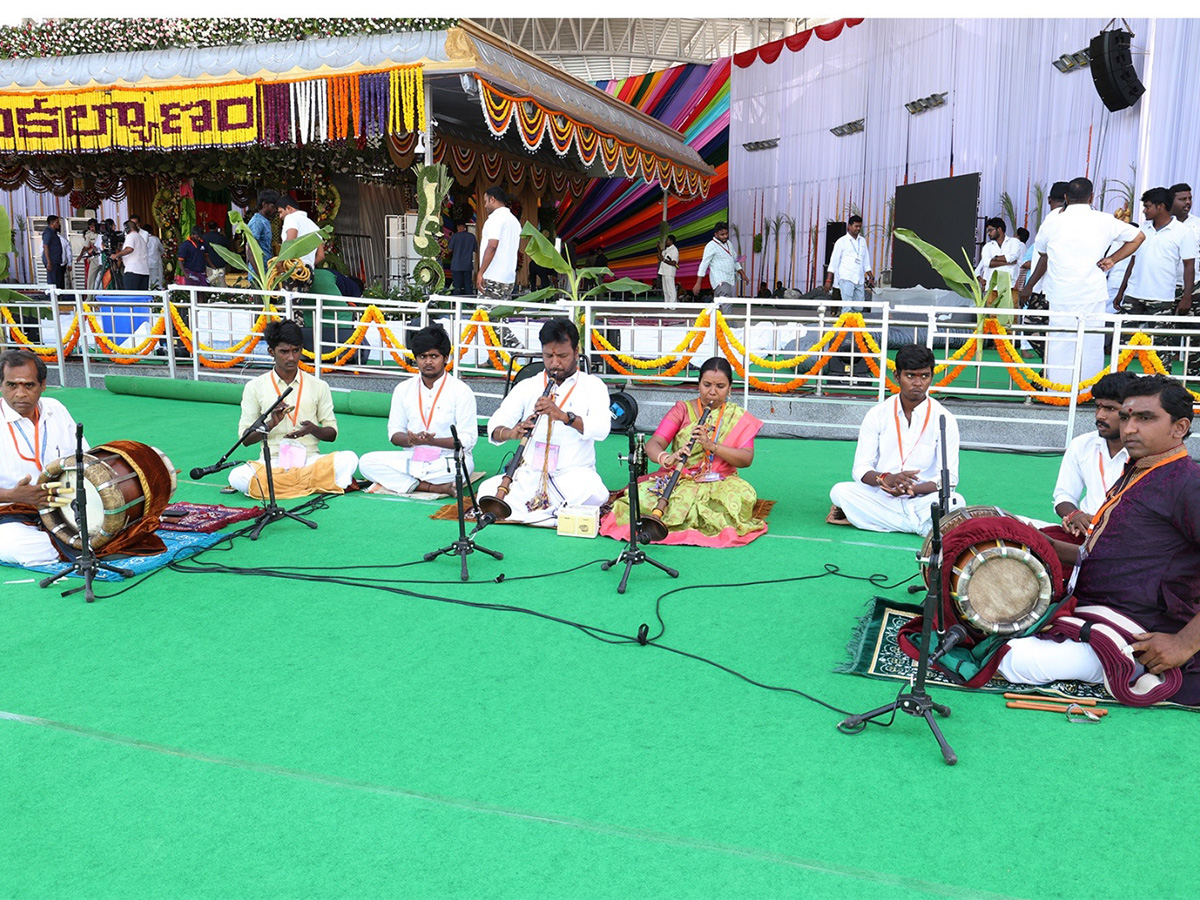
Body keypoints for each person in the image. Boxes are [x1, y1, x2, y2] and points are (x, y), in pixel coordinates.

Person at [998, 375, 1200, 707]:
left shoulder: (1187, 484)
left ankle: (1128, 667)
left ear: (1179, 428)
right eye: (1127, 417)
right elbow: (1099, 554)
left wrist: (1183, 644)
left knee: (1015, 658)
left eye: (1145, 418)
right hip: (1095, 605)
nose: (1130, 428)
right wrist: (1024, 536)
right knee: (999, 621)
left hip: (1137, 630)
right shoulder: (1140, 471)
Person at [602, 357, 767, 547]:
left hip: (721, 481)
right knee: (638, 500)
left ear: (730, 388)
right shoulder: (683, 410)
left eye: (720, 386)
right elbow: (653, 444)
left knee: (738, 499)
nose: (712, 392)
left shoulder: (738, 417)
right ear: (698, 385)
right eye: (707, 385)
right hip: (680, 478)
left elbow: (746, 458)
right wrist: (667, 458)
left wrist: (712, 446)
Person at [478, 318, 610, 524]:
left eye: (562, 356)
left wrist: (565, 417)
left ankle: (528, 515)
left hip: (572, 475)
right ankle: (553, 516)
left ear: (576, 352)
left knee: (594, 491)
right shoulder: (527, 386)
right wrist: (511, 432)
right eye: (549, 356)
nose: (555, 363)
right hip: (530, 475)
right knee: (486, 490)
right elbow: (495, 426)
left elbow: (602, 430)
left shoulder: (593, 386)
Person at [827, 344, 964, 535]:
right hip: (881, 494)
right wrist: (886, 478)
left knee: (955, 501)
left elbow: (949, 478)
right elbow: (860, 468)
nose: (918, 383)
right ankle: (921, 527)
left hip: (922, 497)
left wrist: (913, 489)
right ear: (896, 375)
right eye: (910, 376)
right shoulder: (877, 414)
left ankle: (879, 521)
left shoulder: (944, 419)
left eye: (924, 376)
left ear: (932, 377)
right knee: (840, 491)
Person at [1021, 177, 1143, 388]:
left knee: (1060, 343)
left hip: (1061, 294)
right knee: (1091, 344)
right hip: (1092, 293)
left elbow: (1042, 252)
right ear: (1092, 197)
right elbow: (1139, 237)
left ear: (1066, 198)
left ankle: (1058, 389)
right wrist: (1113, 259)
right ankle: (1088, 390)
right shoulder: (1105, 220)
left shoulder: (1053, 221)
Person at [227, 320, 358, 498]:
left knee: (349, 458)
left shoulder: (318, 386)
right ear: (271, 352)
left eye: (295, 351)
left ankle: (278, 488)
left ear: (301, 349)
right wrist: (270, 424)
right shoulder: (254, 387)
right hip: (272, 462)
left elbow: (332, 433)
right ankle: (313, 484)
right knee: (237, 476)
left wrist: (313, 429)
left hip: (309, 460)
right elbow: (245, 439)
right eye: (284, 352)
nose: (291, 357)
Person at [357, 325, 477, 496]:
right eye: (422, 356)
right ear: (416, 359)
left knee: (464, 467)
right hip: (413, 456)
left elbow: (467, 439)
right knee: (366, 462)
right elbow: (394, 434)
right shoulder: (403, 389)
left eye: (434, 356)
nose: (428, 362)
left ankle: (409, 482)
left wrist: (432, 441)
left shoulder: (461, 391)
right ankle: (432, 487)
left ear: (445, 358)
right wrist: (412, 440)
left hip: (446, 459)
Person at [0, 349, 82, 566]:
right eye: (11, 385)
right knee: (20, 547)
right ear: (1, 385)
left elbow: (83, 458)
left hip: (61, 505)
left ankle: (68, 540)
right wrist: (12, 494)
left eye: (28, 385)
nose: (19, 394)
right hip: (9, 512)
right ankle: (70, 543)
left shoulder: (56, 409)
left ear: (42, 385)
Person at [1115, 187, 1197, 365]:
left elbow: (1189, 266)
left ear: (1161, 206)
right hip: (1133, 295)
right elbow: (1132, 262)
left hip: (1161, 298)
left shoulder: (1183, 232)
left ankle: (1162, 388)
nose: (1144, 210)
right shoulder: (1142, 230)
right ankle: (1119, 386)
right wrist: (1121, 292)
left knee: (1160, 347)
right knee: (1123, 344)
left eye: (1147, 206)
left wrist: (1187, 297)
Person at [1051, 371, 1137, 537]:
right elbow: (1063, 495)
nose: (1100, 415)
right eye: (1098, 406)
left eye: (1110, 408)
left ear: (1131, 411)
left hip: (1126, 539)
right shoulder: (1081, 444)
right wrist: (1075, 516)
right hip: (1084, 533)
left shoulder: (1146, 453)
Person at [1171, 182, 1200, 375]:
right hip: (1165, 286)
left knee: (1194, 335)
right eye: (1182, 199)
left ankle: (1193, 378)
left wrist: (1189, 294)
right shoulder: (1160, 223)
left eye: (1189, 198)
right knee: (1164, 335)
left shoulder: (1197, 225)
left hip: (1193, 287)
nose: (1187, 202)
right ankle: (1161, 377)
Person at [476, 187, 520, 300]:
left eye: (486, 201)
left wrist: (480, 273)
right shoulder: (514, 221)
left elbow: (492, 245)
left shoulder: (495, 219)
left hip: (492, 277)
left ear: (492, 199)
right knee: (502, 316)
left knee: (484, 315)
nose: (485, 205)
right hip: (508, 279)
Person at [824, 215, 874, 312]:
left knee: (859, 307)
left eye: (860, 226)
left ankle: (853, 324)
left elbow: (866, 261)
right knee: (847, 306)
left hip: (859, 279)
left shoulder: (862, 241)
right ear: (849, 227)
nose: (858, 229)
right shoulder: (841, 242)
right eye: (856, 226)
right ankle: (845, 326)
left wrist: (870, 276)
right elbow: (833, 262)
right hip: (846, 278)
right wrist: (828, 280)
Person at [694, 222, 748, 303]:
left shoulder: (729, 243)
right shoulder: (711, 246)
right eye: (722, 234)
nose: (725, 236)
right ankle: (727, 316)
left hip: (729, 279)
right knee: (726, 302)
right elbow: (704, 264)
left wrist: (742, 273)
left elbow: (735, 259)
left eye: (726, 234)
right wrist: (698, 283)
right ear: (716, 234)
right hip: (720, 279)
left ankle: (716, 315)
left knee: (720, 305)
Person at [975, 216, 1022, 301]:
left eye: (990, 230)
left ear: (999, 229)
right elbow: (987, 263)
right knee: (992, 314)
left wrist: (995, 258)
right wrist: (1007, 262)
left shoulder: (1014, 242)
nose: (988, 233)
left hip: (1010, 285)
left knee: (1011, 313)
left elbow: (1013, 256)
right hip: (992, 287)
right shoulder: (987, 247)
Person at [279, 195, 323, 270]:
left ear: (288, 208)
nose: (280, 216)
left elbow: (290, 241)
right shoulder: (314, 226)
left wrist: (279, 262)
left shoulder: (291, 218)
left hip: (293, 270)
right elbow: (321, 256)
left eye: (281, 212)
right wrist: (307, 266)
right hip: (307, 273)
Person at [247, 190, 279, 285]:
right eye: (273, 207)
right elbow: (251, 250)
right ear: (264, 204)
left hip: (267, 272)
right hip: (258, 276)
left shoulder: (265, 221)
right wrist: (261, 275)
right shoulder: (257, 222)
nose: (275, 211)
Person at [111, 219, 150, 291]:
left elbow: (129, 249)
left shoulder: (131, 236)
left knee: (131, 296)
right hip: (144, 271)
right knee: (142, 297)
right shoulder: (140, 238)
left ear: (127, 228)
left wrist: (116, 255)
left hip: (133, 271)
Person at [448, 221, 478, 295]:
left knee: (457, 285)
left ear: (458, 228)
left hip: (456, 264)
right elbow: (476, 249)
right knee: (468, 284)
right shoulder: (471, 236)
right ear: (465, 228)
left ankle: (456, 304)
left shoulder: (455, 236)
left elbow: (449, 250)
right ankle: (469, 304)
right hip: (467, 264)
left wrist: (450, 239)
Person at [41, 215, 64, 289]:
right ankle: (52, 296)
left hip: (56, 260)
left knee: (57, 280)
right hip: (51, 260)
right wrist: (48, 261)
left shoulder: (54, 232)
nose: (58, 224)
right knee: (52, 280)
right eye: (57, 222)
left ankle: (57, 296)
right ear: (52, 223)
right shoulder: (48, 232)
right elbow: (46, 246)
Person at [658, 234, 680, 308]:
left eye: (667, 240)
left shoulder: (674, 250)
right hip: (664, 271)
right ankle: (667, 304)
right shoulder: (667, 249)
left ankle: (673, 305)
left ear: (671, 241)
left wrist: (663, 260)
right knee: (665, 289)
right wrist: (658, 246)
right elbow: (661, 255)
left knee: (671, 289)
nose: (666, 241)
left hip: (669, 272)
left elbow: (674, 262)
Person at [81, 219, 103, 291]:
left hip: (104, 256)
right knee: (91, 278)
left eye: (93, 226)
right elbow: (86, 246)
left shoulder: (103, 232)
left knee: (105, 277)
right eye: (90, 227)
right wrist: (82, 255)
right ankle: (89, 297)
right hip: (95, 257)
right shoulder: (89, 234)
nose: (92, 229)